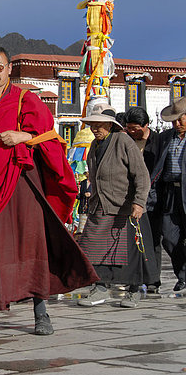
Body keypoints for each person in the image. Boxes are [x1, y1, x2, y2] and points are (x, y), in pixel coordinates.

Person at [0, 46, 98, 343]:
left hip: (18, 185)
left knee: (31, 247)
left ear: (9, 70)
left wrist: (23, 136)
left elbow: (50, 136)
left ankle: (41, 312)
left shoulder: (24, 100)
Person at [78, 104, 158, 308]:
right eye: (92, 125)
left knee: (130, 252)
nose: (95, 129)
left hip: (125, 207)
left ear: (110, 125)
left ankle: (134, 290)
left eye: (99, 125)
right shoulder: (94, 146)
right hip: (100, 205)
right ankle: (100, 287)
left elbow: (141, 175)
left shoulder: (123, 141)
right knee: (91, 247)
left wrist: (139, 203)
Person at [148, 96, 186, 292]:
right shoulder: (166, 138)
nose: (177, 124)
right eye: (174, 120)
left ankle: (183, 277)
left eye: (180, 119)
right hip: (170, 192)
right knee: (169, 237)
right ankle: (183, 274)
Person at [124, 107, 162, 291]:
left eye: (135, 128)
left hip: (155, 195)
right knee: (133, 239)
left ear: (146, 125)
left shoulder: (158, 141)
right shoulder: (127, 141)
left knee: (153, 238)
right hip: (132, 196)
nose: (131, 132)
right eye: (128, 128)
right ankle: (133, 277)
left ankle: (153, 279)